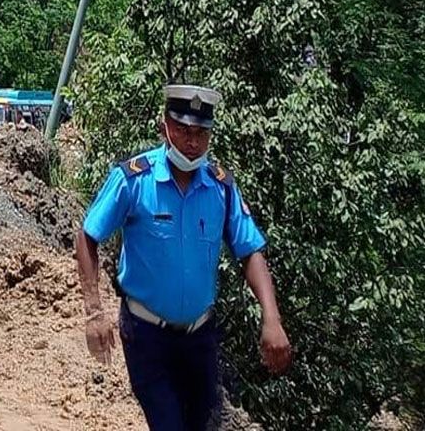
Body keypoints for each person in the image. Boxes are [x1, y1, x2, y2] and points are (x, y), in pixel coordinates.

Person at [75, 85, 292, 431]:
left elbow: (249, 250)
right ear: (164, 128)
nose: (192, 141)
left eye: (200, 133)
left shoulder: (221, 187)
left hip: (199, 337)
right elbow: (87, 236)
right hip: (146, 334)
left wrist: (272, 317)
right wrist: (94, 312)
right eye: (182, 130)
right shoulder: (134, 180)